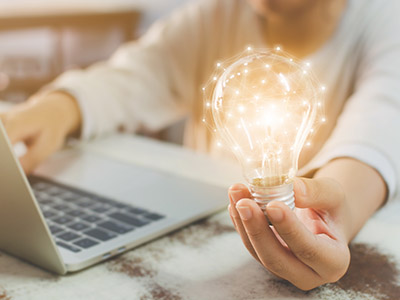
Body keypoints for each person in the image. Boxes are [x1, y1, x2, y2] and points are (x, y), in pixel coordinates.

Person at [1, 0, 399, 290]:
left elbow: (380, 125)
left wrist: (337, 209)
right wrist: (55, 110)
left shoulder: (384, 24)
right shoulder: (213, 17)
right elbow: (133, 75)